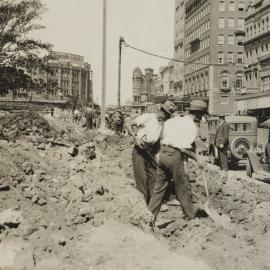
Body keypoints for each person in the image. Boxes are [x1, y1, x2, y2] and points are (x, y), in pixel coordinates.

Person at [148, 100, 207, 222]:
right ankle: (190, 217)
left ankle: (149, 218)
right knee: (183, 186)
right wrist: (197, 159)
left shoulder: (174, 120)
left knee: (159, 188)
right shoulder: (192, 126)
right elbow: (182, 148)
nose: (201, 118)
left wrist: (196, 150)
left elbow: (167, 137)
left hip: (163, 153)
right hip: (174, 156)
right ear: (199, 115)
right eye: (202, 115)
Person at [126, 100, 176, 204]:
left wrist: (158, 158)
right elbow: (128, 124)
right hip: (140, 150)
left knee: (154, 176)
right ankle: (143, 204)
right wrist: (135, 138)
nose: (166, 117)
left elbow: (157, 143)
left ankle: (154, 204)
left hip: (151, 151)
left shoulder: (162, 125)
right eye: (165, 113)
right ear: (160, 110)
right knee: (142, 177)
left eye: (168, 115)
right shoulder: (148, 117)